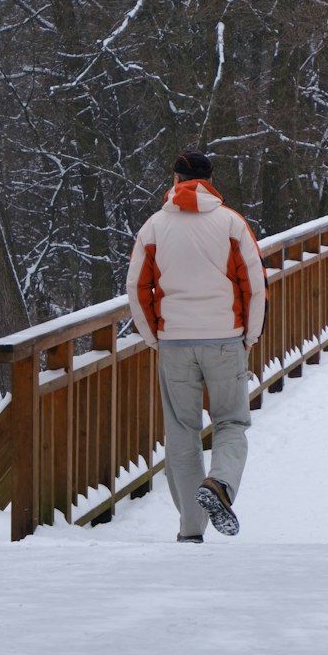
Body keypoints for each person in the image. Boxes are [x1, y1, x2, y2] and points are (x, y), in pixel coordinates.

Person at [126, 149, 267, 543]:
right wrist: (249, 336)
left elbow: (137, 287)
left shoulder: (153, 227)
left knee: (182, 431)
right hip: (225, 339)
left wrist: (154, 335)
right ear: (210, 180)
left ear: (175, 180)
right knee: (232, 422)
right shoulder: (231, 224)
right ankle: (219, 483)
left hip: (174, 342)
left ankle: (190, 529)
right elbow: (255, 286)